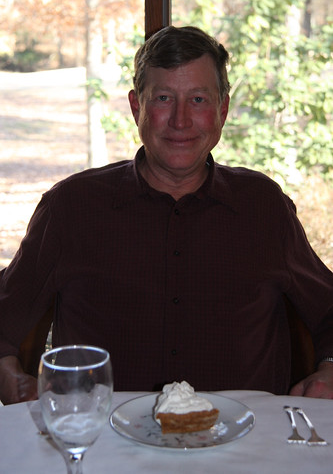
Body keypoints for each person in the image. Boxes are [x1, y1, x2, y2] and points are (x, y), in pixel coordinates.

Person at [0, 26, 333, 405]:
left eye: (197, 99)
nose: (180, 120)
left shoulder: (263, 207)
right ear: (136, 107)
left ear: (222, 110)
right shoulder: (71, 207)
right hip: (105, 449)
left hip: (244, 445)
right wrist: (6, 372)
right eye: (163, 98)